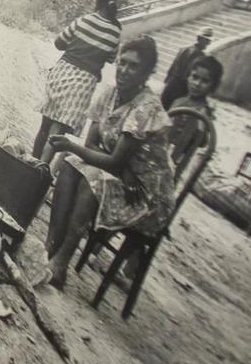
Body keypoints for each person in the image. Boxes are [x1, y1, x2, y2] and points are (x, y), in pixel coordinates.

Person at [42, 36, 177, 288]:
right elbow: (92, 145)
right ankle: (50, 249)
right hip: (122, 173)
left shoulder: (146, 108)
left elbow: (113, 162)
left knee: (92, 179)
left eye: (133, 66)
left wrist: (79, 148)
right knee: (71, 164)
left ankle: (61, 262)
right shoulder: (109, 94)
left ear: (148, 72)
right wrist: (114, 166)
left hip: (145, 193)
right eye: (121, 63)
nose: (124, 71)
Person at [33, 0, 122, 155]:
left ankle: (30, 163)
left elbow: (59, 43)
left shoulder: (83, 21)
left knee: (45, 127)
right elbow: (111, 58)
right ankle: (40, 171)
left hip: (62, 73)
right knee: (59, 133)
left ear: (99, 0)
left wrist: (76, 47)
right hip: (84, 83)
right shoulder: (115, 31)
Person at [164, 53, 223, 175]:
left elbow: (202, 142)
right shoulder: (178, 101)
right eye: (194, 77)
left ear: (213, 86)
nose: (197, 84)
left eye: (205, 81)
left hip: (176, 162)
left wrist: (202, 126)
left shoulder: (203, 111)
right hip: (161, 149)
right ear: (188, 76)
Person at [159, 30, 214, 109]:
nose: (208, 43)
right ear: (199, 39)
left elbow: (172, 68)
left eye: (209, 41)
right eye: (207, 40)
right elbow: (187, 74)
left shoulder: (184, 48)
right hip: (181, 88)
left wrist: (167, 82)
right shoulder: (200, 55)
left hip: (171, 83)